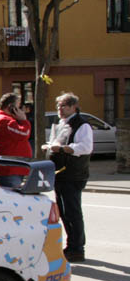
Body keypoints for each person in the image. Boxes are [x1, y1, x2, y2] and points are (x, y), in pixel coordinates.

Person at [42, 92, 93, 263]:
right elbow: (55, 143)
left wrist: (63, 149)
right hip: (60, 173)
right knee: (64, 212)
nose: (60, 109)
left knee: (73, 212)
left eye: (64, 106)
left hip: (73, 174)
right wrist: (50, 147)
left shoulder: (81, 125)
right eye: (58, 106)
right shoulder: (60, 124)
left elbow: (85, 147)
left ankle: (77, 248)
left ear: (74, 107)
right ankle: (71, 246)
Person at [0, 92, 32, 188]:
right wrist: (24, 120)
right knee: (14, 196)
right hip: (9, 169)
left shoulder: (4, 119)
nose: (21, 110)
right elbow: (24, 133)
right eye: (18, 107)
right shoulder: (4, 120)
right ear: (11, 107)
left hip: (14, 168)